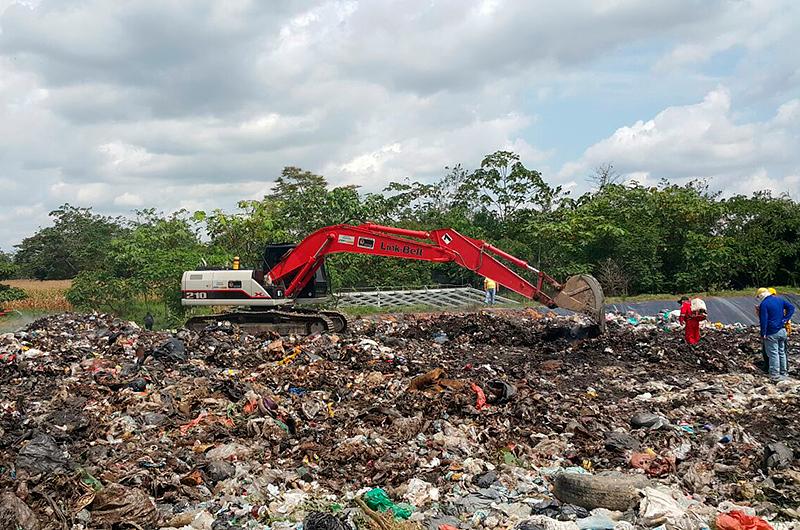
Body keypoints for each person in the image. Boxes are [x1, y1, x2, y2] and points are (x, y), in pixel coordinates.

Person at [756, 287, 795, 382]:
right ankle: (784, 373)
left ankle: (775, 374)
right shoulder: (779, 300)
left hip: (771, 331)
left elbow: (764, 320)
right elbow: (791, 308)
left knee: (773, 353)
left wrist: (763, 333)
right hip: (782, 330)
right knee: (782, 352)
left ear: (761, 295)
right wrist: (785, 319)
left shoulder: (764, 304)